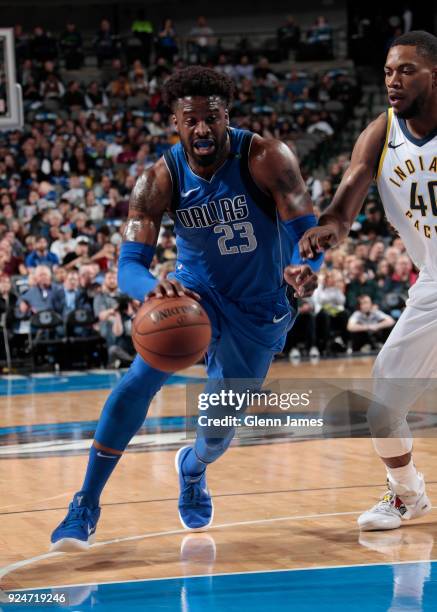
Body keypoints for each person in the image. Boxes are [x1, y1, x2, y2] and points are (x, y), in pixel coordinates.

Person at [50, 66, 321, 552]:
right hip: (194, 294)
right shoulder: (159, 177)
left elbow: (307, 227)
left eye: (211, 118)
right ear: (175, 120)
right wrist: (153, 287)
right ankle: (85, 504)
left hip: (261, 306)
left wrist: (303, 265)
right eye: (190, 119)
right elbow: (130, 265)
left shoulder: (266, 157)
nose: (202, 129)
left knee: (217, 433)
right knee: (137, 380)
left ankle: (192, 468)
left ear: (226, 116)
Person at [299, 31, 437, 531]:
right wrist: (327, 231)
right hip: (433, 288)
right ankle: (407, 494)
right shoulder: (381, 134)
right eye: (387, 72)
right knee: (383, 406)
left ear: (434, 74)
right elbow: (346, 201)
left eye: (405, 70)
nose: (393, 81)